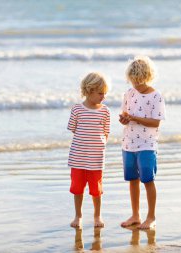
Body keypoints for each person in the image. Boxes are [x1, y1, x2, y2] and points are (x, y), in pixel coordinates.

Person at [119, 56, 165, 229]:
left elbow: (156, 122)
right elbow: (125, 115)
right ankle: (135, 215)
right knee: (132, 180)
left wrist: (135, 118)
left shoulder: (156, 96)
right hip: (128, 143)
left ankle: (151, 217)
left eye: (139, 81)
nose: (136, 85)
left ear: (147, 77)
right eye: (133, 81)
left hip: (147, 144)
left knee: (148, 180)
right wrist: (124, 119)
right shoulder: (129, 93)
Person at [67, 72, 111, 228]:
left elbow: (106, 132)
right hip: (78, 158)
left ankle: (97, 216)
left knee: (96, 190)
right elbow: (73, 129)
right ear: (89, 90)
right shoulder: (77, 110)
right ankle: (78, 216)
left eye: (105, 93)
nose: (103, 96)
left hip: (96, 159)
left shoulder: (105, 111)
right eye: (100, 93)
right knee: (77, 188)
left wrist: (99, 144)